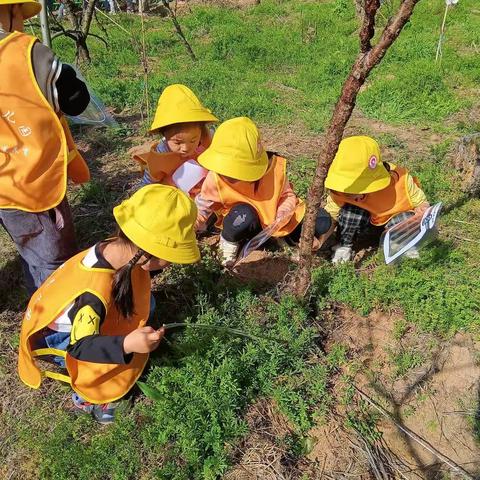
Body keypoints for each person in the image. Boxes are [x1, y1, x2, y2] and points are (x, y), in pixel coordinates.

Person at [18, 185, 200, 424]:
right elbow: (81, 346)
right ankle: (88, 398)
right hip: (63, 338)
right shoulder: (93, 295)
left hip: (83, 320)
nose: (172, 264)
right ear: (149, 253)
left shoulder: (117, 248)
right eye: (172, 258)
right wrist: (127, 343)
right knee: (97, 363)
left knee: (148, 303)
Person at [0, 0, 91, 295]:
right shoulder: (27, 54)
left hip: (5, 185)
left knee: (28, 246)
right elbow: (76, 99)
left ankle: (34, 293)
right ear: (12, 12)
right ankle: (53, 322)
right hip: (30, 183)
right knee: (55, 258)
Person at [194, 117, 332, 266]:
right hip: (245, 222)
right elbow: (203, 205)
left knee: (322, 221)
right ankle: (230, 241)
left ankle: (291, 239)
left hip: (275, 221)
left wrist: (283, 213)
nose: (229, 176)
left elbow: (287, 195)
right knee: (242, 215)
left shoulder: (273, 170)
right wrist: (192, 225)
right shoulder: (215, 178)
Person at [324, 136, 430, 264]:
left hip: (393, 222)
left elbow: (421, 203)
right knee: (351, 212)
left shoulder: (400, 180)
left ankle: (399, 243)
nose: (356, 196)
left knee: (405, 218)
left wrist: (422, 209)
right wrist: (320, 239)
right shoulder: (340, 189)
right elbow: (332, 216)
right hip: (364, 225)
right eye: (349, 193)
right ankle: (344, 246)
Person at [130, 84, 218, 197]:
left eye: (193, 140)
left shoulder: (207, 140)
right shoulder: (160, 155)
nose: (186, 148)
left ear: (201, 132)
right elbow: (147, 185)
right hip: (173, 196)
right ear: (164, 135)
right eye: (178, 142)